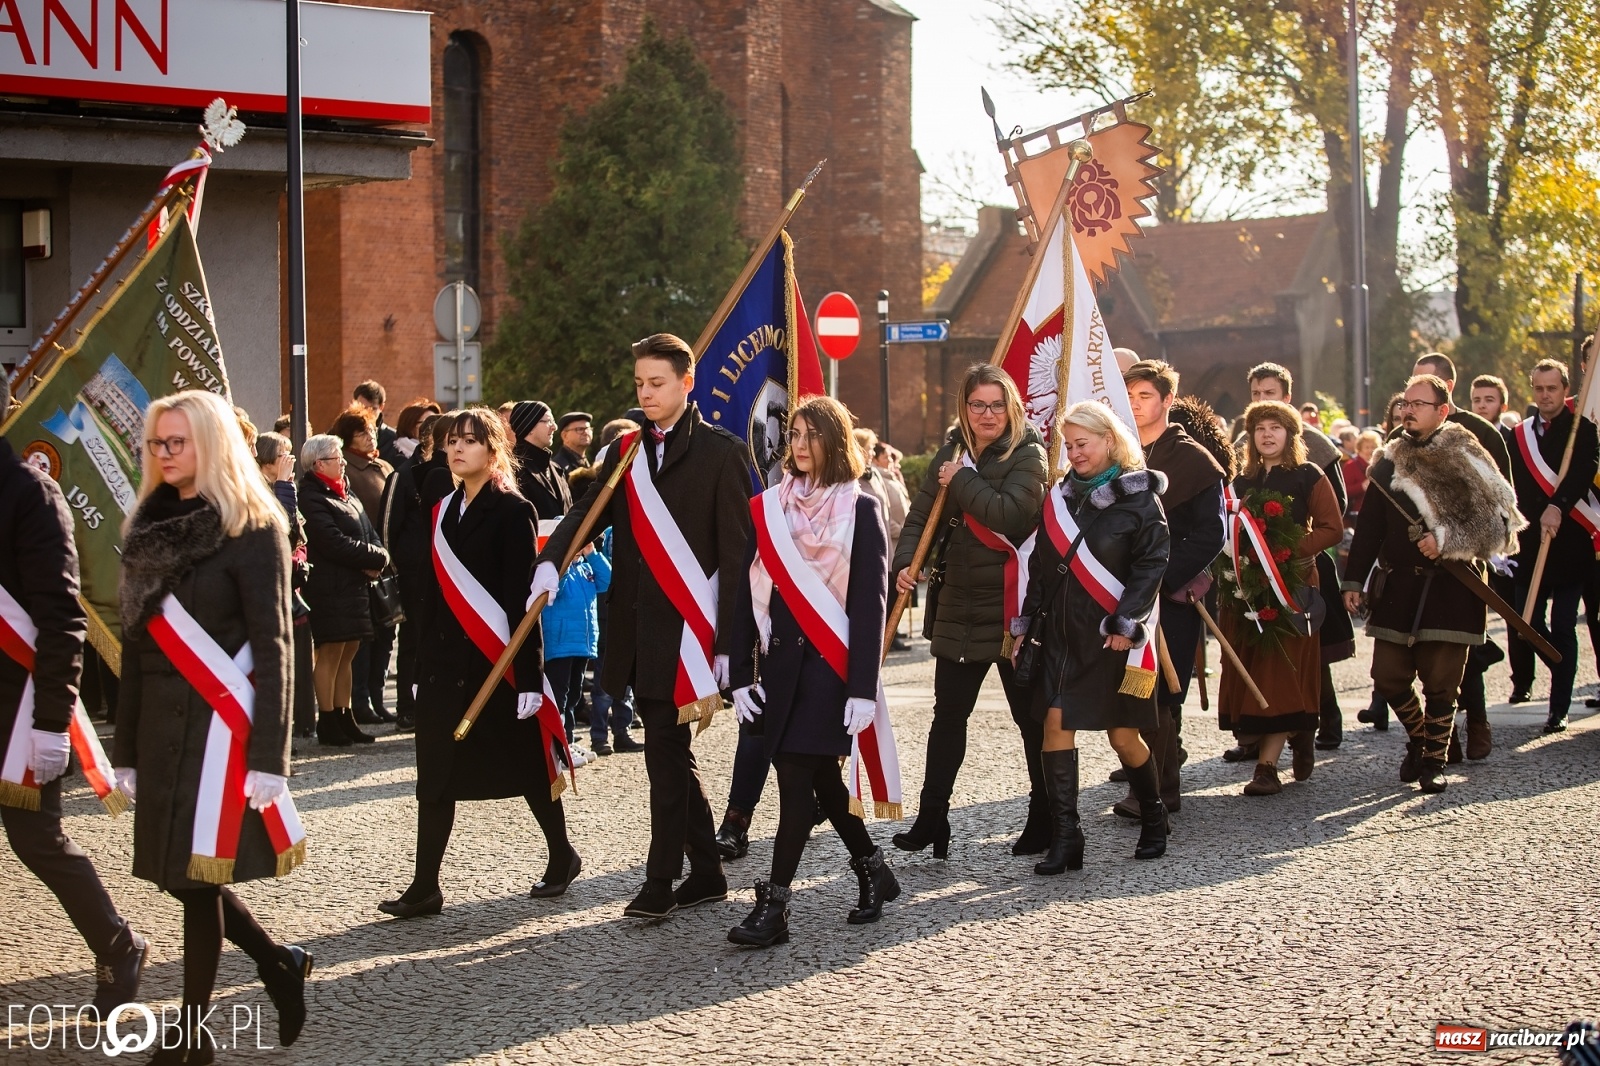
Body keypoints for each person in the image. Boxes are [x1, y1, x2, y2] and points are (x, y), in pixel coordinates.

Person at [113, 390, 311, 1061]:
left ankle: (193, 1037)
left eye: (178, 442)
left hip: (221, 732)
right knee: (179, 875)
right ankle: (276, 960)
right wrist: (126, 746)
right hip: (161, 733)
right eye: (156, 444)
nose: (164, 455)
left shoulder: (252, 528)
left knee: (198, 882)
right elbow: (136, 645)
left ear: (212, 443)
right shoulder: (146, 521)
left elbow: (276, 643)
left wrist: (269, 756)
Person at [536, 334, 751, 920]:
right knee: (670, 751)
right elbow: (586, 513)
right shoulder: (626, 451)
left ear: (688, 383)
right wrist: (550, 562)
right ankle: (706, 871)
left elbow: (737, 556)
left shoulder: (722, 453)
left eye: (657, 383)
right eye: (639, 384)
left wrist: (732, 644)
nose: (646, 393)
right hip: (634, 625)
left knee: (663, 752)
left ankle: (661, 880)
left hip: (688, 632)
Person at [380, 409, 580, 918]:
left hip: (496, 665)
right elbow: (430, 599)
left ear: (494, 451)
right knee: (435, 777)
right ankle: (426, 886)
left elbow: (519, 601)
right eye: (451, 442)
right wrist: (420, 671)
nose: (456, 450)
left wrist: (531, 677)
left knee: (529, 768)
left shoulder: (513, 511)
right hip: (446, 667)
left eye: (470, 441)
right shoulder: (441, 508)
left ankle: (562, 855)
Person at [725, 395, 897, 946]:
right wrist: (741, 674)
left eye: (809, 435)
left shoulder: (861, 508)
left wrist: (863, 688)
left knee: (798, 781)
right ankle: (873, 868)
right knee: (817, 778)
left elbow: (870, 604)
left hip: (832, 668)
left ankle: (775, 906)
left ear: (834, 441)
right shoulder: (769, 506)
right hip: (781, 668)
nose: (797, 445)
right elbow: (744, 592)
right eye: (792, 434)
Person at [1, 377, 147, 1021]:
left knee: (37, 840)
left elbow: (61, 617)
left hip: (18, 704)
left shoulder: (30, 492)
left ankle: (118, 943)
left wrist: (51, 719)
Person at [890, 364, 1049, 859]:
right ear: (965, 407)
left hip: (1012, 610)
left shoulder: (1030, 455)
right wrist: (905, 563)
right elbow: (921, 515)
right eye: (977, 405)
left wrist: (961, 479)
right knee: (948, 718)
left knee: (1031, 721)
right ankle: (932, 817)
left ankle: (1044, 817)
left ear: (1012, 408)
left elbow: (1008, 514)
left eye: (996, 405)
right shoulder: (952, 450)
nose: (987, 414)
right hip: (958, 603)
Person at [1342, 375, 1523, 793]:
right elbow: (1369, 526)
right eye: (1406, 403)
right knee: (1387, 676)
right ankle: (1423, 740)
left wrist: (1444, 539)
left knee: (1442, 684)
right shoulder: (1388, 460)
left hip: (1452, 589)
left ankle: (1435, 762)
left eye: (1419, 404)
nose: (1408, 410)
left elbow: (1500, 524)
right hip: (1399, 586)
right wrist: (1353, 579)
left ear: (1442, 411)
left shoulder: (1465, 453)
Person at [1018, 401, 1171, 872]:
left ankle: (1154, 815)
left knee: (1123, 736)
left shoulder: (1140, 499)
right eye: (1069, 444)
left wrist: (1127, 623)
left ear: (1110, 441)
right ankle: (1068, 837)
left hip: (1110, 639)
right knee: (1055, 723)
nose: (1075, 453)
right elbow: (1041, 568)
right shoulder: (1061, 498)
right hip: (1063, 638)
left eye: (1082, 443)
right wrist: (1027, 624)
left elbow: (1152, 566)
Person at [1112, 360, 1224, 819]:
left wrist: (1159, 577)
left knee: (1160, 692)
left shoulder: (1194, 460)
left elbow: (1210, 534)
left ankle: (1159, 792)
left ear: (1167, 401)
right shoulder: (1116, 453)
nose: (1137, 405)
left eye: (1145, 397)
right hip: (1120, 593)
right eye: (1131, 396)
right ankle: (1152, 783)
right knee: (1126, 691)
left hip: (1171, 597)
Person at [1217, 401, 1344, 795]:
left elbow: (1332, 527)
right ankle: (1297, 730)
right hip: (1248, 589)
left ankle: (1266, 768)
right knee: (1252, 669)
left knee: (1281, 671)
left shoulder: (1309, 475)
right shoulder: (1240, 482)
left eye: (1275, 427)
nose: (1267, 435)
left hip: (1294, 587)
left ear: (1290, 434)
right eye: (1259, 429)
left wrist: (1292, 550)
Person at [1506, 359, 1600, 733]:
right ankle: (1561, 667)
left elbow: (1579, 476)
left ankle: (1558, 708)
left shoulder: (1584, 430)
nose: (1546, 396)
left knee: (1563, 625)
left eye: (1553, 388)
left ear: (1565, 390)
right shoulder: (1519, 435)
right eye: (1539, 389)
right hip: (1530, 548)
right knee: (1525, 622)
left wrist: (1557, 507)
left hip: (1572, 547)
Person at [298, 433, 390, 746]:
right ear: (319, 463)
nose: (343, 464)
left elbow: (369, 533)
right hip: (329, 587)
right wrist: (372, 556)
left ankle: (344, 714)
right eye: (338, 459)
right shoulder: (311, 497)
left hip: (353, 586)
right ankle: (327, 720)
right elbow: (332, 542)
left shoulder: (346, 494)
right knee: (331, 651)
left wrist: (379, 554)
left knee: (349, 650)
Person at [384, 412, 455, 733]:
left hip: (442, 570)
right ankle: (406, 707)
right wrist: (397, 568)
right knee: (413, 639)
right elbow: (388, 526)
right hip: (415, 570)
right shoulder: (406, 474)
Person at [329, 407, 397, 726]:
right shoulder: (348, 471)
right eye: (362, 433)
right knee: (364, 638)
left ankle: (377, 695)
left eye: (372, 430)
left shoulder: (383, 466)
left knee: (386, 634)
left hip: (387, 562)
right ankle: (359, 700)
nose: (371, 436)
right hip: (361, 565)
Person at [255, 432, 315, 740]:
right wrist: (283, 485)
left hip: (291, 584)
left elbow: (297, 533)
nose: (289, 459)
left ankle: (297, 724)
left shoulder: (283, 485)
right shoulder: (259, 488)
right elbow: (281, 527)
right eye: (283, 453)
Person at [542, 531, 611, 766]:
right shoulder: (553, 569)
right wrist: (563, 559)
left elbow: (608, 580)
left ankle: (567, 741)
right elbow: (554, 589)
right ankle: (555, 748)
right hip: (560, 645)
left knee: (573, 698)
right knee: (559, 699)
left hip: (582, 645)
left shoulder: (585, 568)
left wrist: (592, 553)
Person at [507, 401, 571, 520]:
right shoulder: (512, 469)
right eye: (548, 421)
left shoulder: (556, 469)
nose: (554, 427)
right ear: (529, 426)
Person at [352, 379, 396, 463]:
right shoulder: (341, 433)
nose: (367, 413)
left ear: (381, 407)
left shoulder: (394, 441)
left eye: (372, 409)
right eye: (363, 408)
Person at [389, 399, 441, 466]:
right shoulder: (397, 456)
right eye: (429, 422)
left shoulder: (442, 452)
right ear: (410, 425)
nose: (433, 427)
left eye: (437, 422)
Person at [553, 411, 593, 476]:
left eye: (588, 429)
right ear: (565, 436)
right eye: (580, 429)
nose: (586, 433)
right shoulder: (558, 466)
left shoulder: (586, 462)